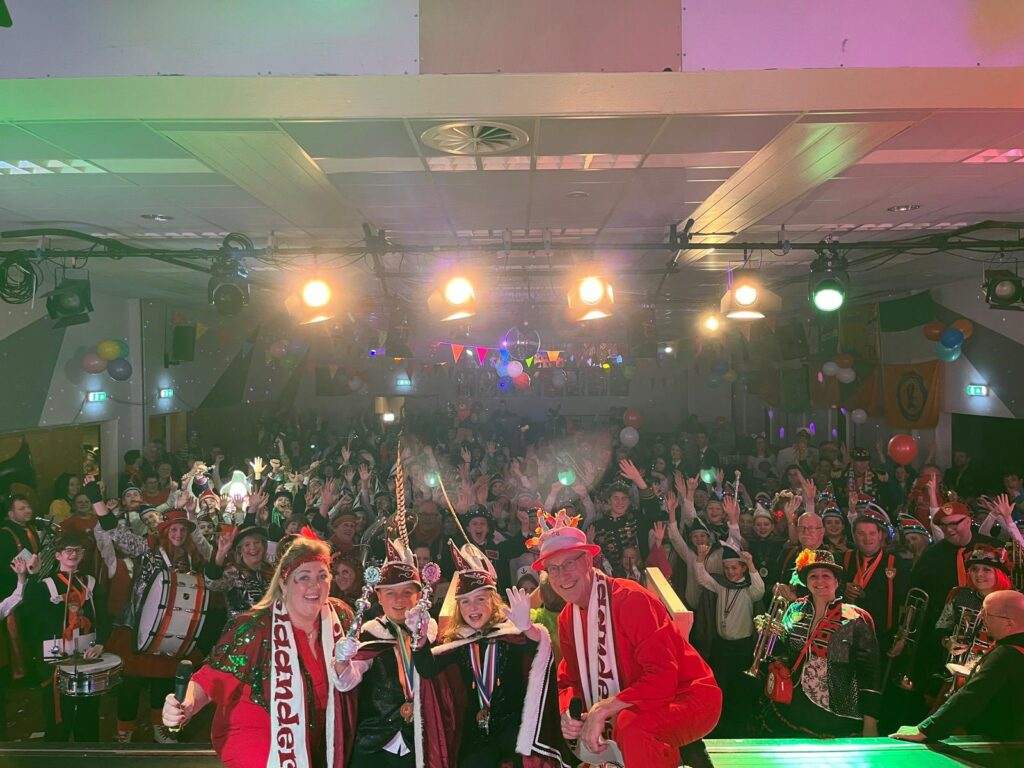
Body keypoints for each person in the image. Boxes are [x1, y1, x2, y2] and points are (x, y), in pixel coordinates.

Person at [531, 509, 722, 768]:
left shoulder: (631, 599)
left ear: (587, 560)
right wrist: (567, 712)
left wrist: (605, 708)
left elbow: (663, 677)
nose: (561, 575)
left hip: (686, 696)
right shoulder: (567, 618)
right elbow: (568, 680)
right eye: (552, 569)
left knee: (631, 726)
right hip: (633, 705)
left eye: (569, 564)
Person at [162, 528, 357, 768]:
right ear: (284, 583)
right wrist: (186, 705)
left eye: (322, 576)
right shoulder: (255, 626)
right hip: (259, 727)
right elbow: (212, 679)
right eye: (304, 577)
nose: (314, 586)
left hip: (321, 732)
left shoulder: (342, 617)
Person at [414, 540, 564, 768]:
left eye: (480, 599)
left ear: (493, 601)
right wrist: (420, 640)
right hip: (475, 738)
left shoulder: (511, 635)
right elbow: (427, 668)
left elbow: (538, 651)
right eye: (465, 602)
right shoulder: (458, 642)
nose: (473, 607)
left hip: (515, 734)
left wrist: (528, 628)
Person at [334, 537, 459, 768]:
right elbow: (347, 681)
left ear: (419, 596)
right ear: (379, 597)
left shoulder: (434, 634)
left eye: (406, 592)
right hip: (375, 742)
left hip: (421, 740)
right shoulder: (370, 634)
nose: (399, 600)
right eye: (390, 593)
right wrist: (341, 661)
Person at [95, 505, 213, 743]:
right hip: (137, 625)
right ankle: (125, 729)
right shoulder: (148, 547)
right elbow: (118, 535)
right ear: (165, 530)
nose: (178, 534)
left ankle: (160, 726)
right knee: (131, 682)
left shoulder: (193, 557)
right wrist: (99, 505)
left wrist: (193, 516)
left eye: (183, 530)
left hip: (173, 629)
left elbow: (212, 557)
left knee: (163, 680)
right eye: (174, 529)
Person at [758, 548, 881, 738]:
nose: (820, 581)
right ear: (806, 582)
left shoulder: (855, 618)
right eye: (813, 576)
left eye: (826, 576)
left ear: (836, 582)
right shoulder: (794, 609)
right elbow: (783, 654)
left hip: (837, 716)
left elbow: (870, 672)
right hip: (793, 710)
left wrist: (870, 723)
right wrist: (769, 637)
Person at [890, 590, 1024, 742]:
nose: (980, 617)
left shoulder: (1005, 655)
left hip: (1002, 743)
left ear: (1009, 623)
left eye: (986, 613)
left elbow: (972, 697)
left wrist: (926, 730)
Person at [23, 531, 110, 741]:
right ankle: (56, 752)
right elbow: (30, 619)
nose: (73, 554)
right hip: (55, 662)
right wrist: (32, 576)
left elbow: (104, 618)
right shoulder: (45, 585)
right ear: (58, 556)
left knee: (89, 713)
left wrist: (100, 643)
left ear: (83, 555)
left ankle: (88, 752)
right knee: (58, 716)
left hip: (88, 658)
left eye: (78, 550)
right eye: (68, 550)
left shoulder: (90, 583)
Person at [693, 545, 764, 736]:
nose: (730, 572)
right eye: (727, 568)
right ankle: (720, 724)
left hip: (742, 646)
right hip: (722, 645)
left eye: (735, 568)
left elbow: (760, 590)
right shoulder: (721, 585)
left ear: (742, 568)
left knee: (739, 687)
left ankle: (739, 725)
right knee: (721, 684)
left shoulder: (748, 589)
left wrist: (751, 564)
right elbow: (702, 578)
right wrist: (700, 559)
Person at [841, 504, 909, 653]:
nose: (867, 539)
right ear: (854, 536)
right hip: (846, 635)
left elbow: (906, 603)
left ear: (880, 535)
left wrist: (902, 637)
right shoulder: (844, 559)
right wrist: (842, 589)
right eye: (861, 533)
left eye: (872, 533)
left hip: (882, 638)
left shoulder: (896, 563)